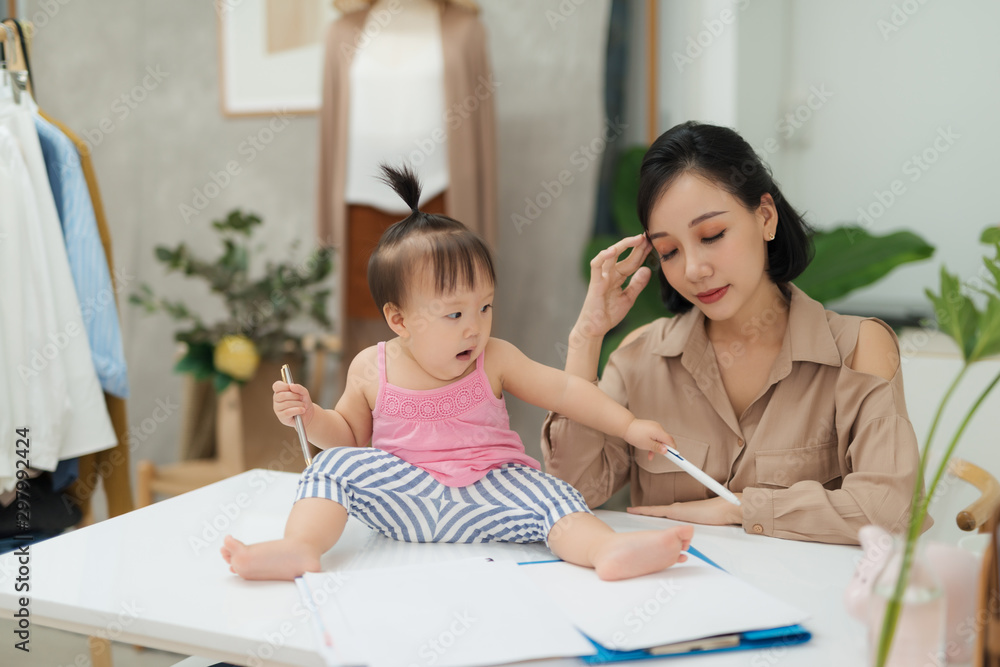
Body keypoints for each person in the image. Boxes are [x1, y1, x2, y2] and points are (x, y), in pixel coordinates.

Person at [221, 164, 694, 581]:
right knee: (331, 467)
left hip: (492, 492)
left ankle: (604, 550)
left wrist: (629, 425)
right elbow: (346, 436)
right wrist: (308, 414)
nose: (475, 328)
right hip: (405, 498)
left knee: (553, 495)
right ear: (399, 320)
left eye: (484, 307)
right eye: (454, 315)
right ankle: (300, 547)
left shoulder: (496, 357)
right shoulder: (372, 368)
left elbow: (567, 390)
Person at [542, 121, 925, 546]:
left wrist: (740, 509)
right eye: (669, 251)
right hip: (674, 597)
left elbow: (892, 508)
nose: (692, 270)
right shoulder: (640, 358)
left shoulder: (857, 349)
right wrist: (585, 338)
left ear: (765, 216)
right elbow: (573, 493)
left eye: (712, 235)